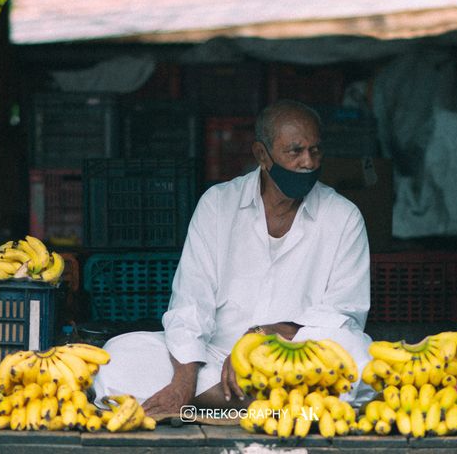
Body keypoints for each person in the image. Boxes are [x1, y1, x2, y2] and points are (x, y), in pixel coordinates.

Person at [92, 99, 375, 417]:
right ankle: (258, 404)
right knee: (118, 356)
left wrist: (261, 338)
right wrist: (184, 381)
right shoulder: (218, 204)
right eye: (295, 152)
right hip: (216, 359)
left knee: (359, 356)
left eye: (315, 151)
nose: (308, 162)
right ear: (261, 155)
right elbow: (190, 303)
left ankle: (215, 404)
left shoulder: (343, 216)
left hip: (297, 359)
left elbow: (344, 314)